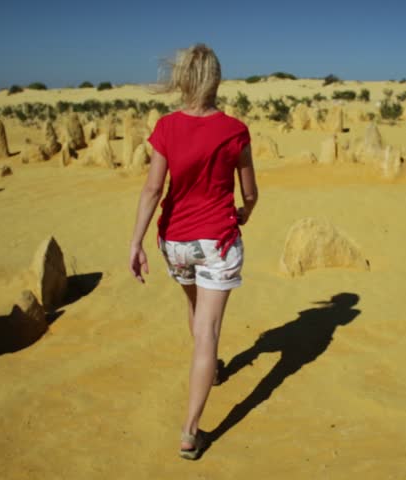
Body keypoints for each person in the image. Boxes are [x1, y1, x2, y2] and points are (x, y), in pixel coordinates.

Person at [128, 43, 258, 460]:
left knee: (195, 311)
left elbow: (152, 189)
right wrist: (245, 212)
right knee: (209, 333)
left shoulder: (166, 128)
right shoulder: (235, 131)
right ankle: (189, 431)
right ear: (216, 80)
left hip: (176, 243)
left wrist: (135, 242)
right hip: (217, 241)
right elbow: (251, 192)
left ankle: (210, 368)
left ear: (183, 79)